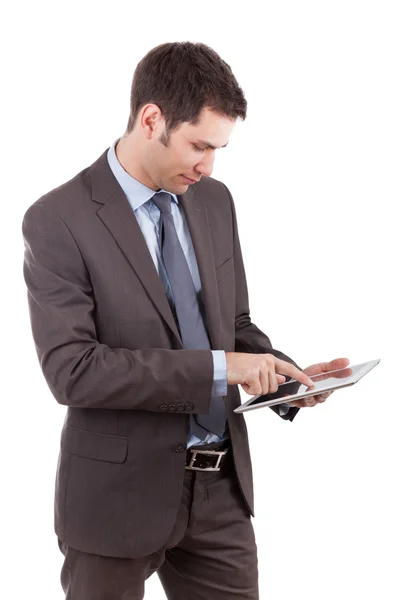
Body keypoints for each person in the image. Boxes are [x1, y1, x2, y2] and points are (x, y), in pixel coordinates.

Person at [22, 41, 349, 599]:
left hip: (220, 490)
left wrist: (282, 375)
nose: (208, 165)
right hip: (114, 496)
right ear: (151, 119)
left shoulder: (214, 201)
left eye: (218, 149)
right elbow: (73, 371)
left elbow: (234, 323)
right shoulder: (58, 220)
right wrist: (224, 367)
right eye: (199, 145)